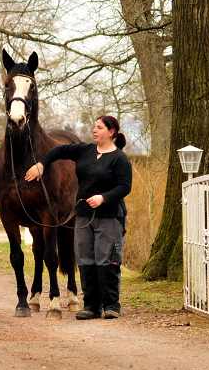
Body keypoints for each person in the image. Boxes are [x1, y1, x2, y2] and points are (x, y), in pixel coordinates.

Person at [24, 115, 132, 319]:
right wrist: (42, 164)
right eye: (95, 126)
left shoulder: (119, 158)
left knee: (106, 260)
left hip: (109, 216)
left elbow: (125, 186)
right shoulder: (85, 150)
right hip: (83, 215)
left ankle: (110, 305)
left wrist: (103, 198)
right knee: (86, 260)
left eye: (99, 127)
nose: (95, 130)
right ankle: (91, 306)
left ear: (111, 132)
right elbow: (58, 151)